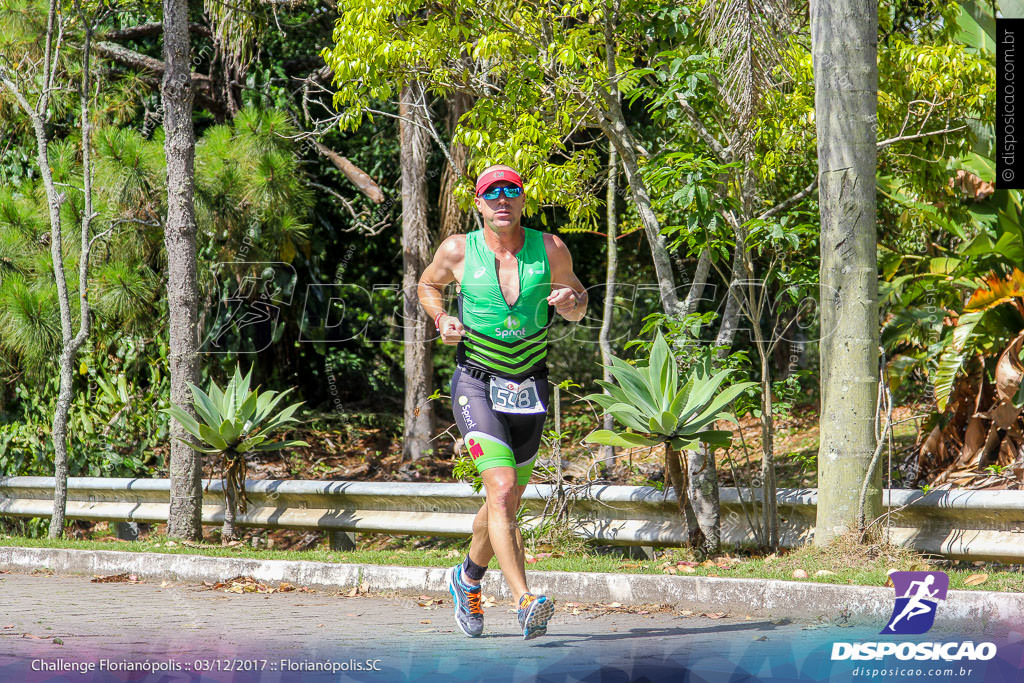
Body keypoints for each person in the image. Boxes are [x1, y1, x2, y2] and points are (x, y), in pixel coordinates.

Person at [417, 164, 587, 640]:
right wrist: (442, 317)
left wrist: (571, 303)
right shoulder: (457, 250)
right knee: (504, 488)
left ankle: (465, 578)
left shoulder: (550, 247)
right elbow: (427, 286)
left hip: (530, 384)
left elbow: (578, 298)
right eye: (492, 194)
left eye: (511, 192)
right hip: (477, 380)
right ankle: (524, 599)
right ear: (479, 204)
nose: (502, 201)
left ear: (523, 200)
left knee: (503, 499)